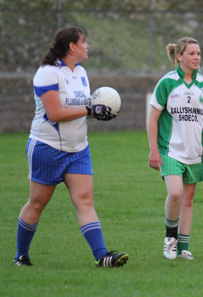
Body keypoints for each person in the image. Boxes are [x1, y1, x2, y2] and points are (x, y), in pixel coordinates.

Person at [13, 26, 129, 267]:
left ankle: (102, 256)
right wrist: (90, 110)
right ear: (71, 46)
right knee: (38, 202)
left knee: (85, 200)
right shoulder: (47, 73)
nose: (87, 46)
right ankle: (21, 255)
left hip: (78, 149)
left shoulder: (81, 73)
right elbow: (54, 113)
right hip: (47, 147)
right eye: (83, 42)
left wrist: (98, 111)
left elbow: (82, 107)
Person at [147, 37, 203, 261]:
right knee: (176, 193)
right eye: (191, 53)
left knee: (188, 200)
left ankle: (184, 248)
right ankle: (170, 237)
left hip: (195, 153)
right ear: (179, 57)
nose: (197, 57)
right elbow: (153, 120)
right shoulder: (167, 83)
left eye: (198, 53)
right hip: (169, 151)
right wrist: (153, 150)